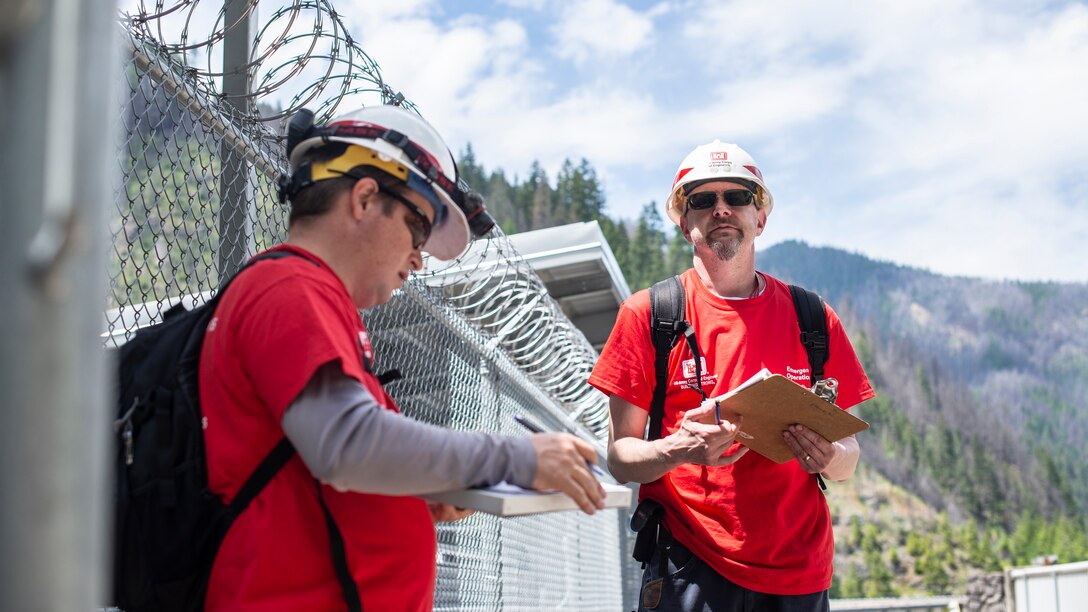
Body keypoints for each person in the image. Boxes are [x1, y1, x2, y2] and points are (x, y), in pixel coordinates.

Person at [198, 105, 607, 611]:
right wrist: (518, 457)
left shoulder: (301, 294)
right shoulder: (292, 288)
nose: (419, 257)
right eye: (418, 230)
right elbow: (347, 444)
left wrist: (418, 488)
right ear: (366, 198)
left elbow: (315, 470)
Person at [588, 141, 875, 611]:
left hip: (799, 575)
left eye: (737, 196)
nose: (721, 209)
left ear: (760, 217)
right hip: (689, 568)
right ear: (685, 223)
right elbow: (621, 456)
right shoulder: (650, 315)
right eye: (702, 199)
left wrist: (827, 456)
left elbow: (850, 457)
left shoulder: (813, 319)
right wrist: (681, 448)